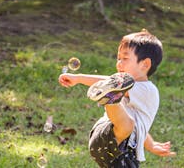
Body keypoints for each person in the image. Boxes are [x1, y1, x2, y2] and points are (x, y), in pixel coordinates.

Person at [58, 31, 176, 167]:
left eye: (124, 58)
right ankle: (110, 100)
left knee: (130, 123)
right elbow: (111, 82)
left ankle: (110, 98)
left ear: (145, 64)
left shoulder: (148, 90)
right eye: (118, 58)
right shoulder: (127, 87)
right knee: (127, 123)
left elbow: (141, 126)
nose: (119, 63)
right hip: (111, 135)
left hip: (110, 146)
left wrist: (151, 145)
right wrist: (78, 78)